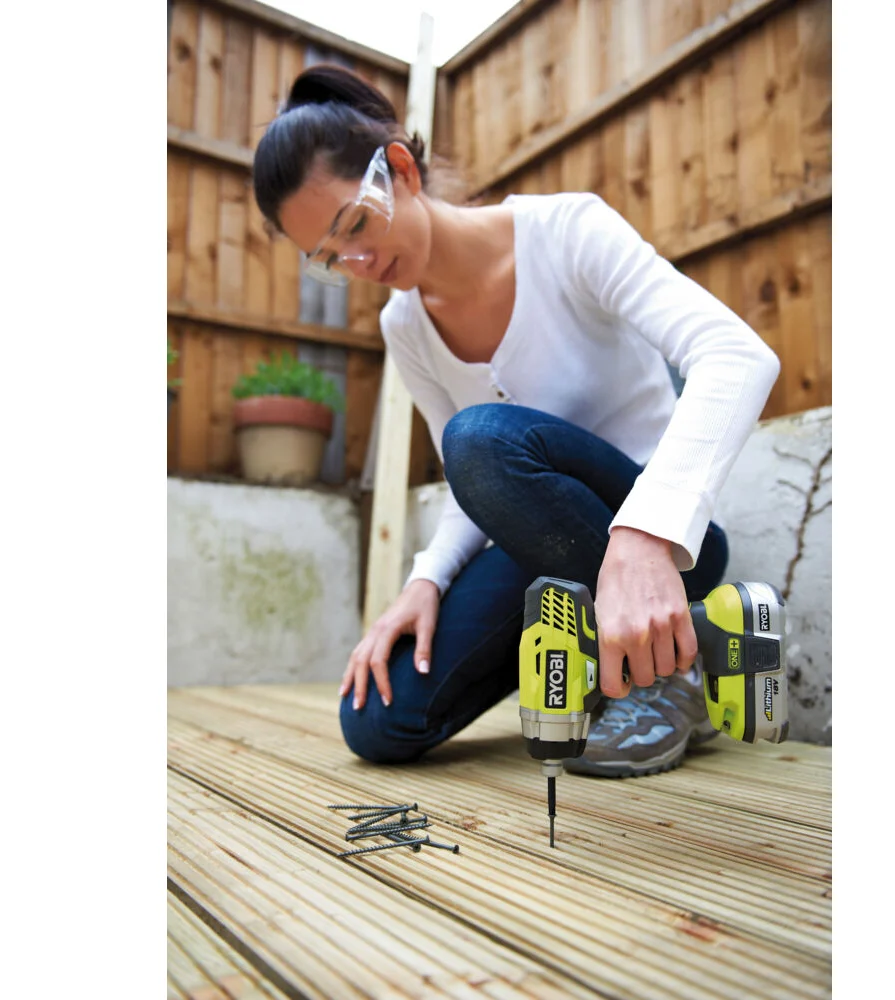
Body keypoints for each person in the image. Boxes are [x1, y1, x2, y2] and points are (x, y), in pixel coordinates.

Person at [251, 65, 780, 778]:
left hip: (667, 551)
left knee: (480, 437)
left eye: (355, 224)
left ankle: (670, 673)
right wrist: (424, 582)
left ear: (401, 169)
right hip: (549, 554)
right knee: (376, 717)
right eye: (330, 257)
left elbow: (737, 355)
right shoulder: (404, 326)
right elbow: (471, 485)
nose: (359, 261)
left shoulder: (566, 232)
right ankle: (634, 655)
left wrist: (645, 534)